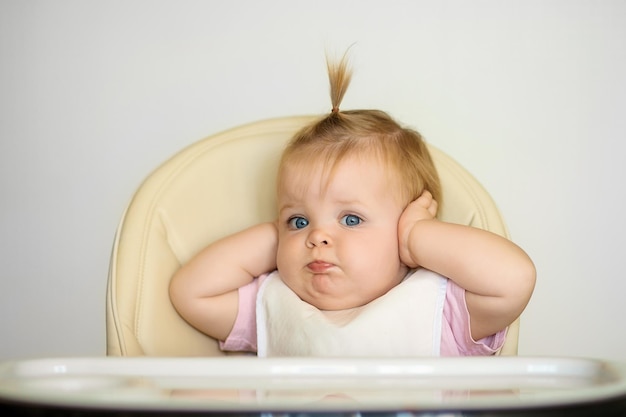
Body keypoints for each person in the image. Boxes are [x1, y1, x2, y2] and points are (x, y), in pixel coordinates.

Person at [169, 54, 536, 357]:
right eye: (299, 220)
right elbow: (191, 293)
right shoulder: (273, 306)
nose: (318, 237)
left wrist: (416, 237)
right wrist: (278, 239)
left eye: (351, 218)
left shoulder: (442, 310)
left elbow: (514, 280)